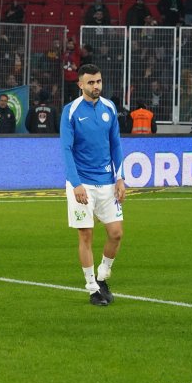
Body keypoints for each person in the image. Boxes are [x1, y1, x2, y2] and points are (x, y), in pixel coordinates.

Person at [59, 64, 126, 307]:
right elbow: (66, 148)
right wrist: (76, 184)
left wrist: (120, 177)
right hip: (82, 184)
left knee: (116, 233)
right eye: (90, 82)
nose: (95, 86)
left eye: (98, 81)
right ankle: (92, 289)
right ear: (80, 85)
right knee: (86, 235)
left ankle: (103, 276)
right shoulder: (71, 111)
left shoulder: (109, 107)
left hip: (108, 182)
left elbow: (116, 144)